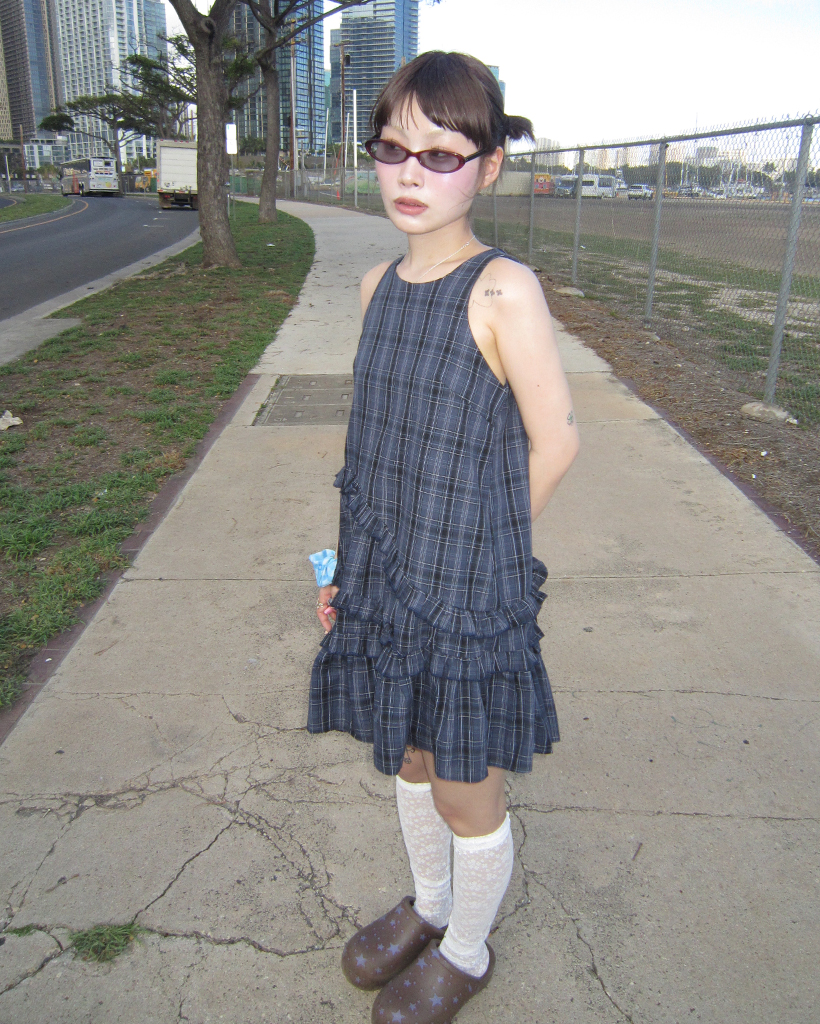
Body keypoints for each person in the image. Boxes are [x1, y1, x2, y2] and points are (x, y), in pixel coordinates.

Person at [308, 51, 579, 1024]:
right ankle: (428, 907)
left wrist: (478, 552)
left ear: (489, 166)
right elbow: (376, 451)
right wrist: (344, 570)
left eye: (441, 154)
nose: (410, 174)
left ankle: (466, 949)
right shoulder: (377, 285)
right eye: (392, 149)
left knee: (467, 789)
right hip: (388, 580)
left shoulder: (502, 289)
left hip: (464, 594)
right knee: (410, 761)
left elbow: (557, 441)